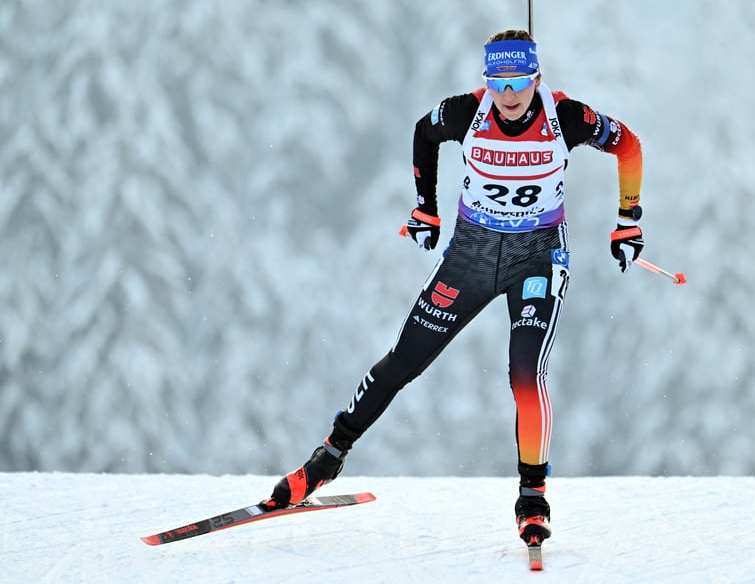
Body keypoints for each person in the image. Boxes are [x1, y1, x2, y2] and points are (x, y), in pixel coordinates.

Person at [262, 29, 645, 545]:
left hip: (536, 258)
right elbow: (424, 133)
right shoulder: (467, 112)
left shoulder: (568, 117)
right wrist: (426, 207)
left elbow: (630, 147)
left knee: (525, 375)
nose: (508, 96)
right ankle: (325, 459)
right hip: (471, 255)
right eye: (498, 82)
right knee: (403, 361)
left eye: (519, 82)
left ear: (536, 77)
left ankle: (533, 499)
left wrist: (628, 220)